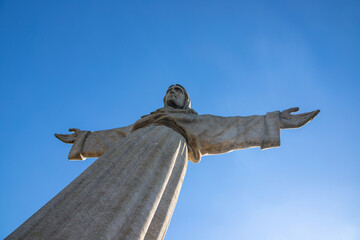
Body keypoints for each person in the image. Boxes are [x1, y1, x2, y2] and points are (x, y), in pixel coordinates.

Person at [7, 84, 319, 240]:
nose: (172, 93)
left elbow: (232, 127)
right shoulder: (143, 123)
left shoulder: (193, 123)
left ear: (186, 103)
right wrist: (85, 140)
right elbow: (115, 136)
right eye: (170, 90)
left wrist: (273, 122)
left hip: (165, 154)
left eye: (178, 91)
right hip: (124, 154)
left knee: (136, 209)